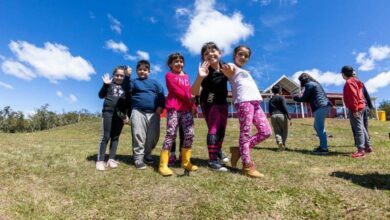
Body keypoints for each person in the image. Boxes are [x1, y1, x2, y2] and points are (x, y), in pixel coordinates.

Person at [221, 45, 272, 178]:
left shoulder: (246, 71)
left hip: (255, 102)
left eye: (246, 56)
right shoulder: (232, 66)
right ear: (234, 55)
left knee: (266, 132)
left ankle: (239, 150)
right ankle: (247, 165)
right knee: (246, 132)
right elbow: (228, 68)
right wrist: (226, 67)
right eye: (240, 54)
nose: (243, 57)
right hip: (244, 102)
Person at [191, 42, 230, 172]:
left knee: (222, 130)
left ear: (220, 53)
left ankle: (218, 150)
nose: (210, 54)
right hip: (209, 100)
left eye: (213, 51)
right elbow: (195, 91)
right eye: (206, 53)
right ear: (203, 58)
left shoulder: (226, 67)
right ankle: (212, 161)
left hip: (223, 101)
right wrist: (199, 77)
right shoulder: (205, 71)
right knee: (213, 127)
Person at [158, 52, 198, 176]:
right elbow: (176, 91)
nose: (179, 63)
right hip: (173, 108)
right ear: (170, 64)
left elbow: (189, 91)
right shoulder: (169, 75)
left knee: (190, 134)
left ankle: (185, 161)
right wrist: (190, 99)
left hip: (186, 108)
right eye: (175, 61)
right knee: (171, 133)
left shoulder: (186, 76)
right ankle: (163, 164)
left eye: (181, 61)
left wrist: (193, 106)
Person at [127, 60, 165, 169]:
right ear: (136, 71)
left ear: (149, 71)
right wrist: (127, 77)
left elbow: (161, 95)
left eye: (145, 69)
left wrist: (160, 106)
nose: (142, 71)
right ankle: (138, 158)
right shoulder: (133, 82)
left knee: (153, 136)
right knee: (138, 134)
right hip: (138, 111)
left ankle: (147, 154)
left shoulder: (155, 83)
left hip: (153, 113)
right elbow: (127, 90)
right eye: (140, 69)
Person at [96, 66, 131, 171]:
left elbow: (129, 103)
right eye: (117, 75)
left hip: (120, 115)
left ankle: (111, 159)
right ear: (113, 75)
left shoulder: (126, 88)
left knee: (115, 137)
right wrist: (105, 85)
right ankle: (100, 161)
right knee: (106, 136)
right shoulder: (109, 85)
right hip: (108, 113)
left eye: (122, 75)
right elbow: (100, 95)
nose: (119, 77)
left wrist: (127, 115)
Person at [293, 73, 332, 155]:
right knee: (317, 126)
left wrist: (295, 97)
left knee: (319, 127)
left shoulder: (309, 85)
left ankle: (324, 148)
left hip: (320, 106)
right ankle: (322, 146)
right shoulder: (314, 83)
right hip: (325, 105)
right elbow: (308, 98)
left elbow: (304, 98)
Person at [341, 65, 372, 157]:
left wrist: (354, 110)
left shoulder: (349, 83)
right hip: (362, 106)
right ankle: (368, 146)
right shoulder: (357, 81)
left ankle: (361, 150)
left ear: (343, 74)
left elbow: (353, 97)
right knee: (362, 127)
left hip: (356, 108)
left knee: (358, 129)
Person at [268, 84, 292, 150]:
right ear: (280, 91)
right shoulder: (281, 97)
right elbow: (285, 107)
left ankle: (279, 142)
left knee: (277, 131)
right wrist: (289, 116)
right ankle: (283, 144)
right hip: (281, 115)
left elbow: (269, 109)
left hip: (273, 116)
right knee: (284, 130)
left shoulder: (271, 99)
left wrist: (272, 115)